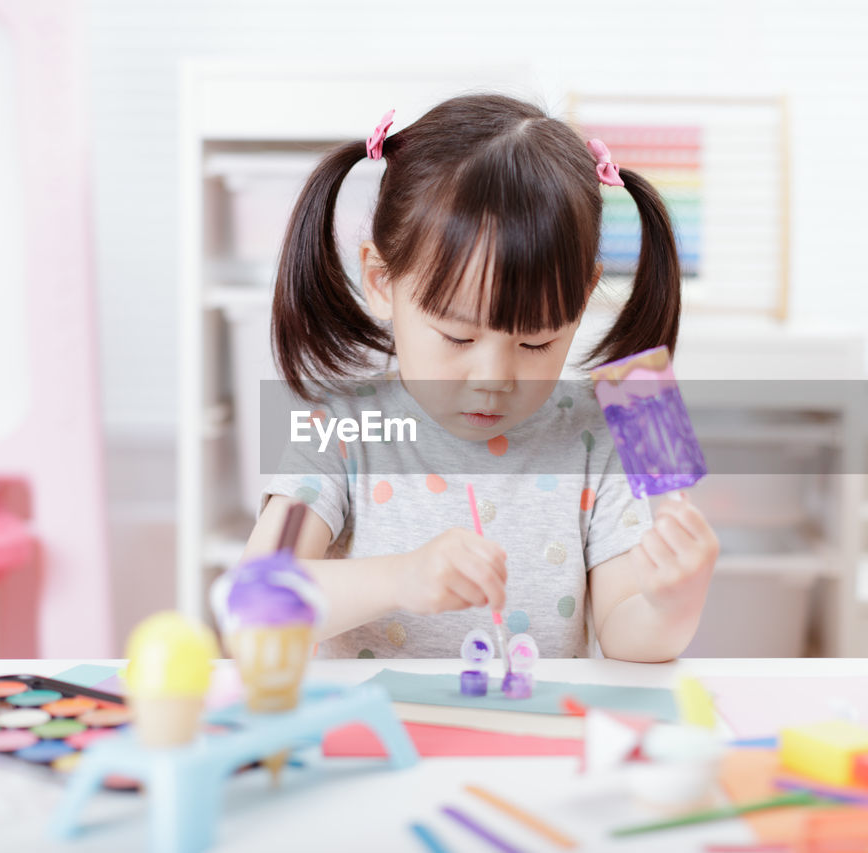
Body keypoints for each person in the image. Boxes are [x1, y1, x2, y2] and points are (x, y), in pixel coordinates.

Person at [243, 93, 719, 662]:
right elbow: (251, 607)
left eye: (536, 342)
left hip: (535, 745)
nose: (494, 377)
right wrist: (400, 578)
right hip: (377, 745)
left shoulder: (606, 431)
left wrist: (672, 606)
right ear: (380, 279)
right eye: (459, 338)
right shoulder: (334, 426)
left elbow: (625, 635)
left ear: (583, 296)